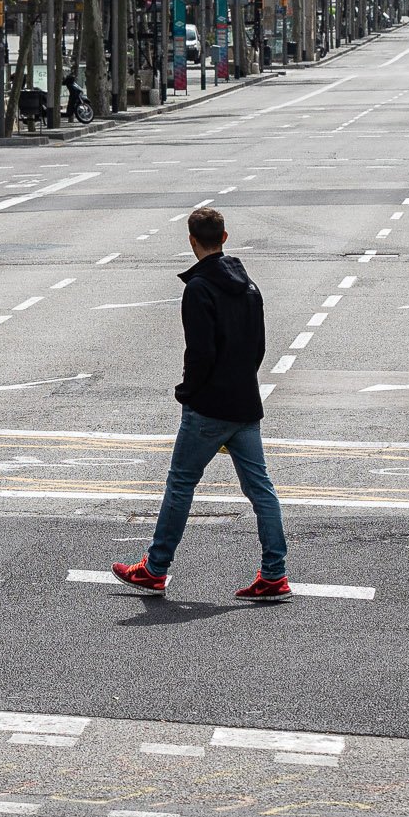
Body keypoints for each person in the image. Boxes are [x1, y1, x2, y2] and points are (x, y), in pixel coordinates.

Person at [113, 205, 289, 599]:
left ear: (191, 241)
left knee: (180, 484)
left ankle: (155, 568)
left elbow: (200, 354)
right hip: (245, 403)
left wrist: (188, 393)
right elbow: (258, 348)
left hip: (208, 407)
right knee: (261, 489)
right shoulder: (249, 286)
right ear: (224, 238)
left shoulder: (198, 289)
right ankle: (274, 573)